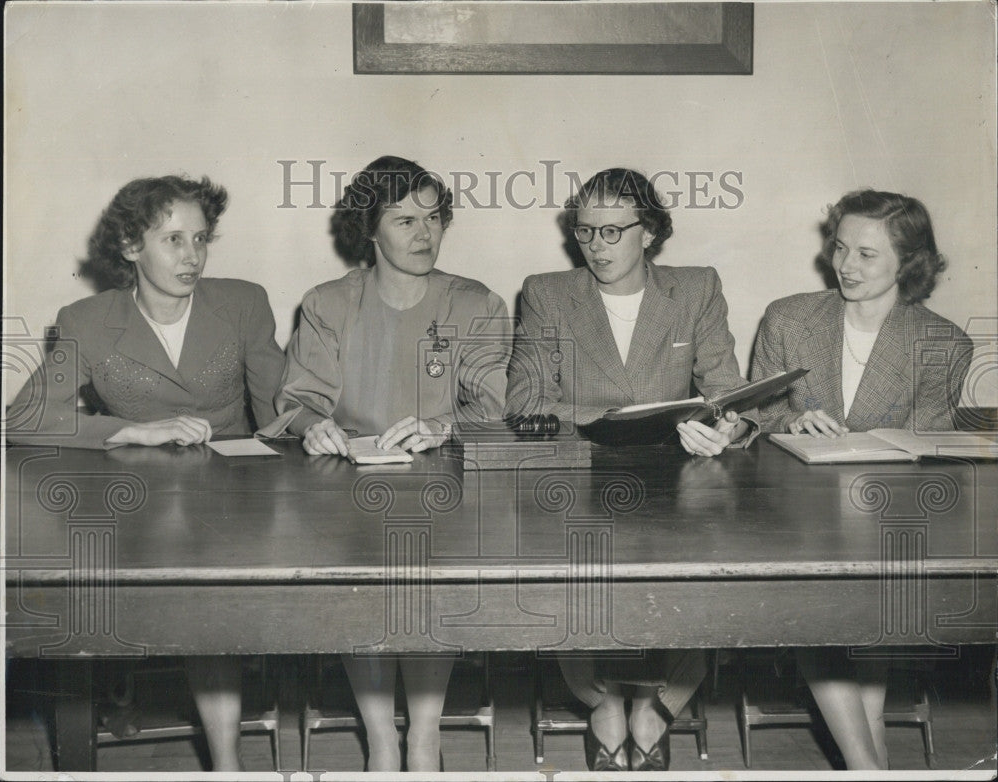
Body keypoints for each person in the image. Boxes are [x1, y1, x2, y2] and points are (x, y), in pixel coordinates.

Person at [5, 175, 287, 771]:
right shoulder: (87, 317)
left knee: (209, 600)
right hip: (131, 508)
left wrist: (311, 426)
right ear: (132, 247)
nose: (192, 256)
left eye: (201, 239)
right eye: (173, 239)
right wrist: (124, 430)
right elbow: (24, 418)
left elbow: (282, 411)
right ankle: (103, 713)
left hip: (230, 507)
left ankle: (226, 761)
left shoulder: (242, 302)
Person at [505, 167, 758, 770]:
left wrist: (729, 426)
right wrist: (617, 416)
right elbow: (524, 401)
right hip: (577, 477)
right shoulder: (547, 293)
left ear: (651, 232)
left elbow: (729, 392)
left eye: (613, 231)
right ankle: (600, 703)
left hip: (680, 481)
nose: (596, 246)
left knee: (702, 582)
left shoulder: (695, 289)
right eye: (585, 232)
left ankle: (657, 706)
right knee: (575, 589)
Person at [272, 155, 509, 771]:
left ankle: (425, 735)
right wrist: (313, 426)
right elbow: (296, 400)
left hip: (443, 489)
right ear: (369, 230)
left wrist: (441, 427)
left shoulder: (475, 302)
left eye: (433, 218)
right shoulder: (328, 303)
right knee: (365, 584)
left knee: (426, 580)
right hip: (349, 487)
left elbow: (494, 405)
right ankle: (380, 736)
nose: (424, 234)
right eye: (404, 221)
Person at [751, 189, 973, 769]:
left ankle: (865, 767)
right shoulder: (788, 317)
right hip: (794, 518)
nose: (846, 265)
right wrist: (792, 420)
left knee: (871, 605)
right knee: (818, 608)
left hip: (888, 518)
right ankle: (870, 767)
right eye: (841, 247)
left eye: (867, 255)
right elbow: (755, 418)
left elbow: (930, 448)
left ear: (910, 263)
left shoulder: (942, 342)